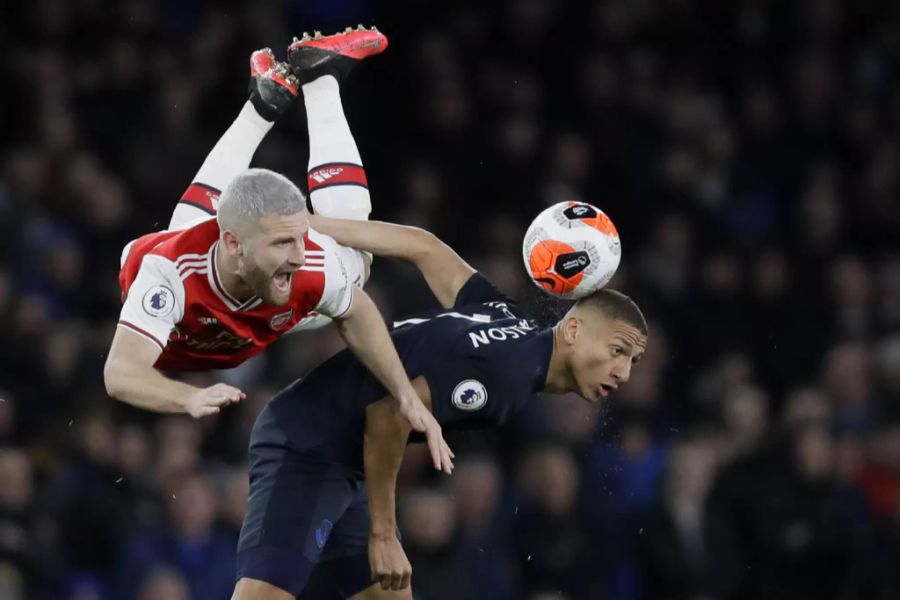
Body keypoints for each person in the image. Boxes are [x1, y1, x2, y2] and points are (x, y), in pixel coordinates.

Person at [231, 216, 648, 599]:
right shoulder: (509, 376)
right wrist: (382, 535)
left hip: (351, 459)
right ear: (573, 329)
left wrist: (308, 225)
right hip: (310, 441)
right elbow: (388, 415)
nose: (624, 373)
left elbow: (424, 246)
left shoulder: (507, 317)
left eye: (633, 360)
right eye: (617, 350)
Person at [101, 28, 450, 471]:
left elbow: (356, 308)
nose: (300, 255)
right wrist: (190, 397)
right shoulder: (167, 278)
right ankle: (312, 85)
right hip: (175, 287)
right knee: (192, 236)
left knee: (351, 270)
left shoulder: (304, 265)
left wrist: (405, 396)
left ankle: (280, 96)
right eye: (283, 242)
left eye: (299, 238)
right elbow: (120, 373)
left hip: (240, 304)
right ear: (235, 245)